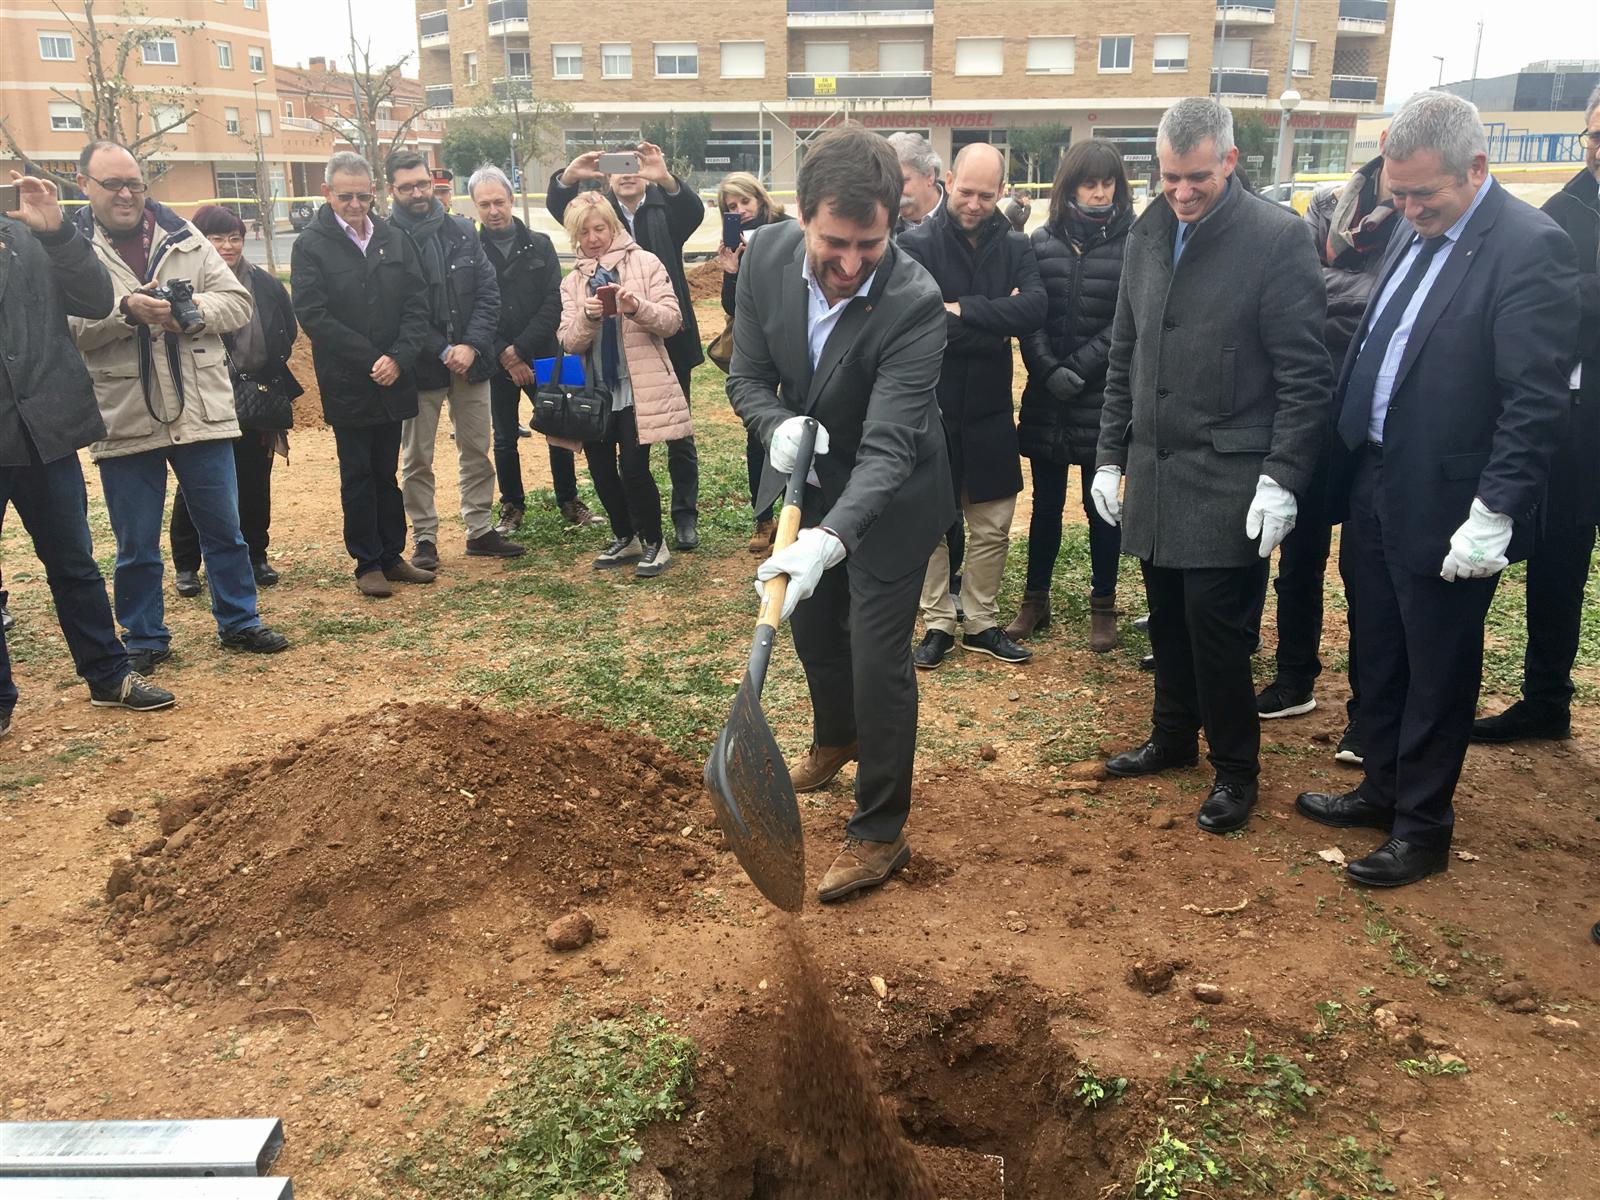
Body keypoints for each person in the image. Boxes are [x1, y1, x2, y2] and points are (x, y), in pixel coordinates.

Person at [1295, 91, 1579, 887]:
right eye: (1400, 192)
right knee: (1380, 648)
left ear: (1476, 168)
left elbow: (1535, 399)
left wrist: (1495, 510)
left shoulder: (1529, 247)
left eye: (1425, 194)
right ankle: (1381, 788)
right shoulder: (1410, 227)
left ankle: (1422, 827)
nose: (1410, 208)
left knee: (1437, 664)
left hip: (1452, 498)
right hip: (1376, 474)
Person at [727, 124, 954, 902]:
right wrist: (775, 426)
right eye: (834, 242)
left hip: (896, 496)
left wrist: (829, 540)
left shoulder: (914, 303)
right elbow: (747, 377)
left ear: (895, 222)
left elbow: (890, 450)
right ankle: (837, 737)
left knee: (876, 657)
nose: (852, 264)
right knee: (815, 630)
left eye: (870, 245)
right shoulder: (763, 258)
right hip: (813, 474)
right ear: (801, 215)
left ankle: (880, 830)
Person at [1094, 98, 1331, 836]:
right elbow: (1125, 354)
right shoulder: (1147, 233)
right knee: (1167, 614)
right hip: (1156, 469)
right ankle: (1172, 736)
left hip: (1230, 476)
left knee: (1216, 629)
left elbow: (1305, 376)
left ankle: (1236, 769)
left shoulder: (1276, 238)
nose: (1182, 191)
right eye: (1169, 177)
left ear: (1229, 160)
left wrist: (1283, 476)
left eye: (1196, 176)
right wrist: (1108, 457)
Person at [69, 141, 289, 673]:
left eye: (134, 183)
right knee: (136, 543)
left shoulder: (185, 236)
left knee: (225, 530)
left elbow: (237, 302)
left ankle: (240, 620)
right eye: (112, 184)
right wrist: (126, 312)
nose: (126, 194)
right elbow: (67, 328)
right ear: (83, 185)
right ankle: (145, 636)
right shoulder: (71, 251)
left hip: (200, 408)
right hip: (125, 412)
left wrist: (189, 312)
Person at [0, 170, 174, 729]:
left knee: (74, 563)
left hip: (43, 430)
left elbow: (96, 299)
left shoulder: (30, 232)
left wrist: (56, 233)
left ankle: (108, 675)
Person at [1249, 144, 1400, 762]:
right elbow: (1304, 289)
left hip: (1373, 411)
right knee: (1299, 551)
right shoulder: (1329, 203)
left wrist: (1339, 296)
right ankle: (1295, 677)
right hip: (1314, 401)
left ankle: (1370, 711)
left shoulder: (1419, 216)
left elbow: (1387, 303)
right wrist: (1357, 297)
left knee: (1367, 570)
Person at [1472, 84, 1600, 746]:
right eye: (1597, 137)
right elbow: (1542, 307)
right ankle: (1546, 699)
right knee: (1558, 563)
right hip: (1577, 422)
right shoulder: (1563, 209)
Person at [901, 143, 1046, 669]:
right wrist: (995, 320)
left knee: (992, 523)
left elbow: (1034, 310)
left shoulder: (1017, 245)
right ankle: (937, 622)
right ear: (948, 181)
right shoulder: (915, 244)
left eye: (987, 195)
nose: (974, 203)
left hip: (989, 407)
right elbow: (919, 320)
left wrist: (961, 309)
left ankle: (982, 621)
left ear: (1001, 191)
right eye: (966, 191)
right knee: (931, 523)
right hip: (931, 404)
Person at [290, 150, 436, 598]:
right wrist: (372, 358)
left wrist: (399, 357)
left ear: (373, 192)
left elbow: (417, 303)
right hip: (349, 380)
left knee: (386, 471)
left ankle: (392, 555)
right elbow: (314, 314)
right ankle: (367, 562)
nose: (355, 205)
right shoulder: (310, 245)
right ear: (327, 193)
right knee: (357, 473)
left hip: (393, 376)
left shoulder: (393, 237)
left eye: (362, 196)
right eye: (345, 196)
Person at [547, 142, 703, 550]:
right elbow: (569, 337)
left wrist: (663, 176)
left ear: (612, 227)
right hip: (601, 379)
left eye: (600, 229)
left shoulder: (662, 216)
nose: (593, 237)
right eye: (618, 168)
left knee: (671, 442)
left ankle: (679, 521)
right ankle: (627, 533)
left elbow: (693, 212)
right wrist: (570, 175)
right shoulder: (577, 270)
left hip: (658, 356)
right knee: (604, 465)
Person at [1012, 139, 1134, 651]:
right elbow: (1029, 313)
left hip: (1100, 396)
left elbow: (1125, 321)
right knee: (1045, 503)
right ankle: (1034, 600)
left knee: (1100, 503)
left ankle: (1103, 604)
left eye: (1108, 184)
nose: (1100, 193)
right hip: (1049, 396)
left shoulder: (1132, 243)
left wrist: (1079, 368)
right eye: (1090, 184)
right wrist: (1046, 368)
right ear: (1071, 187)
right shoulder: (1040, 242)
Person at [386, 151, 524, 569]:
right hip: (419, 365)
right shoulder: (386, 239)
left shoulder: (463, 231)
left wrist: (471, 345)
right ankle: (424, 537)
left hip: (472, 361)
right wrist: (442, 349)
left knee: (477, 448)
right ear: (391, 189)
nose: (417, 193)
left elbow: (488, 294)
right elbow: (399, 309)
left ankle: (479, 529)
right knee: (417, 458)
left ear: (433, 184)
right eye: (407, 187)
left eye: (422, 184)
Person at [169, 204, 300, 595]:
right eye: (217, 238)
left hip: (256, 396)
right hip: (203, 398)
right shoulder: (184, 285)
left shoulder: (265, 283)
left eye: (234, 238)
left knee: (255, 480)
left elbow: (286, 330)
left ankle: (256, 556)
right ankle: (187, 565)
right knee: (197, 483)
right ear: (200, 241)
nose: (227, 246)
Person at [470, 165, 603, 534]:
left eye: (499, 201)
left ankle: (569, 500)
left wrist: (521, 349)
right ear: (476, 207)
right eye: (485, 204)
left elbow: (553, 302)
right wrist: (505, 354)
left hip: (548, 353)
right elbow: (474, 307)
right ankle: (511, 505)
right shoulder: (471, 251)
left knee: (563, 425)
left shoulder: (540, 244)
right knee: (504, 436)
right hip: (496, 359)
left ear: (511, 199)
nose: (493, 210)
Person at [716, 170, 793, 556]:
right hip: (758, 346)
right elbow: (732, 307)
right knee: (758, 430)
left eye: (745, 201)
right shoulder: (734, 243)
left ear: (761, 198)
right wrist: (732, 271)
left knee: (798, 422)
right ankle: (764, 517)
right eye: (732, 206)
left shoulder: (789, 230)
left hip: (794, 338)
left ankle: (798, 512)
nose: (741, 210)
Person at [887, 132, 945, 234]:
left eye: (902, 181)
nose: (893, 191)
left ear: (930, 175)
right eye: (888, 183)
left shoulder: (962, 217)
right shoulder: (880, 224)